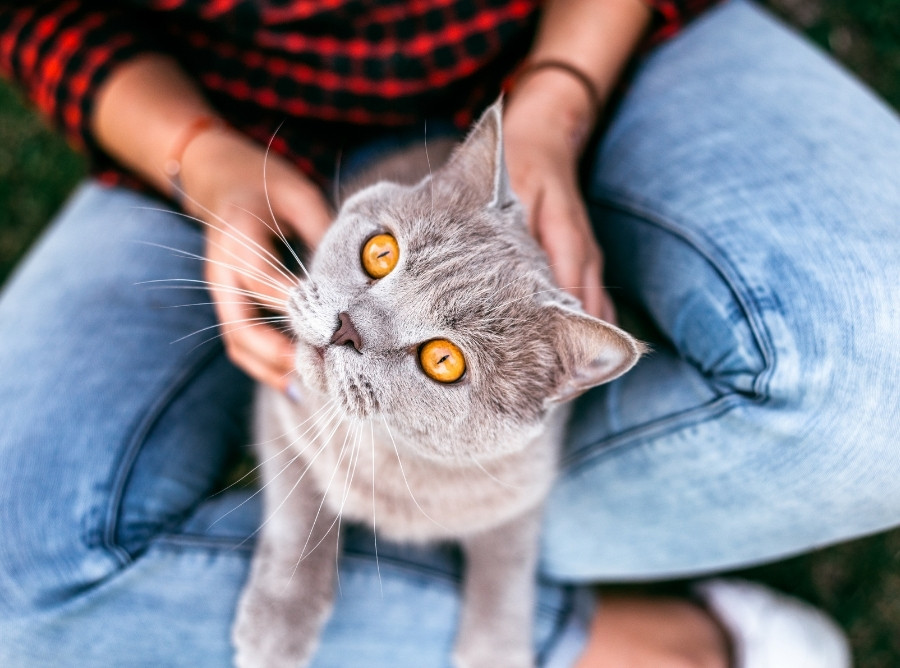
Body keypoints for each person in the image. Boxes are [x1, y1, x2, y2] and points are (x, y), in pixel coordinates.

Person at [1, 0, 897, 665]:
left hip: (568, 55)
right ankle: (606, 639)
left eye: (438, 355)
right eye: (380, 260)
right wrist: (198, 153)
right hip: (228, 113)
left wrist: (558, 97)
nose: (348, 330)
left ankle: (464, 576)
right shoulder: (358, 257)